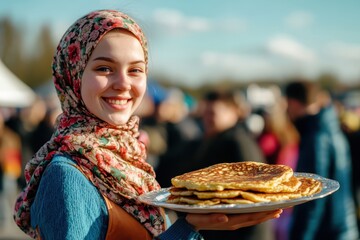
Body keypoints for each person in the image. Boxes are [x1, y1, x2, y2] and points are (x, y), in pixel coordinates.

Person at [12, 10, 282, 240]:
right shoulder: (67, 175)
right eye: (104, 68)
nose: (123, 83)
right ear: (72, 75)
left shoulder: (126, 158)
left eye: (135, 70)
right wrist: (188, 228)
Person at [156, 89, 273, 240]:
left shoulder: (239, 142)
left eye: (213, 113)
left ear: (233, 112)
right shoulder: (206, 140)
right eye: (205, 113)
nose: (207, 118)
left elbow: (257, 190)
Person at [284, 80, 359, 240]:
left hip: (328, 232)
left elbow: (311, 195)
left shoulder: (316, 136)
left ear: (293, 103)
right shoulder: (330, 126)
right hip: (343, 227)